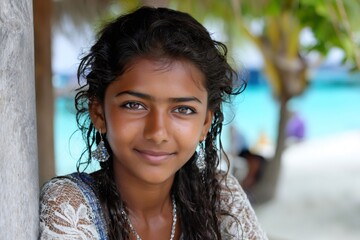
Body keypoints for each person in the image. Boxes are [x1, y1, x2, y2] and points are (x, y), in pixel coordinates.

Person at [39, 6, 268, 240]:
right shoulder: (71, 204)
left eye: (183, 109)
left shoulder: (220, 197)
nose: (157, 133)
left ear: (205, 124)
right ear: (98, 113)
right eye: (134, 105)